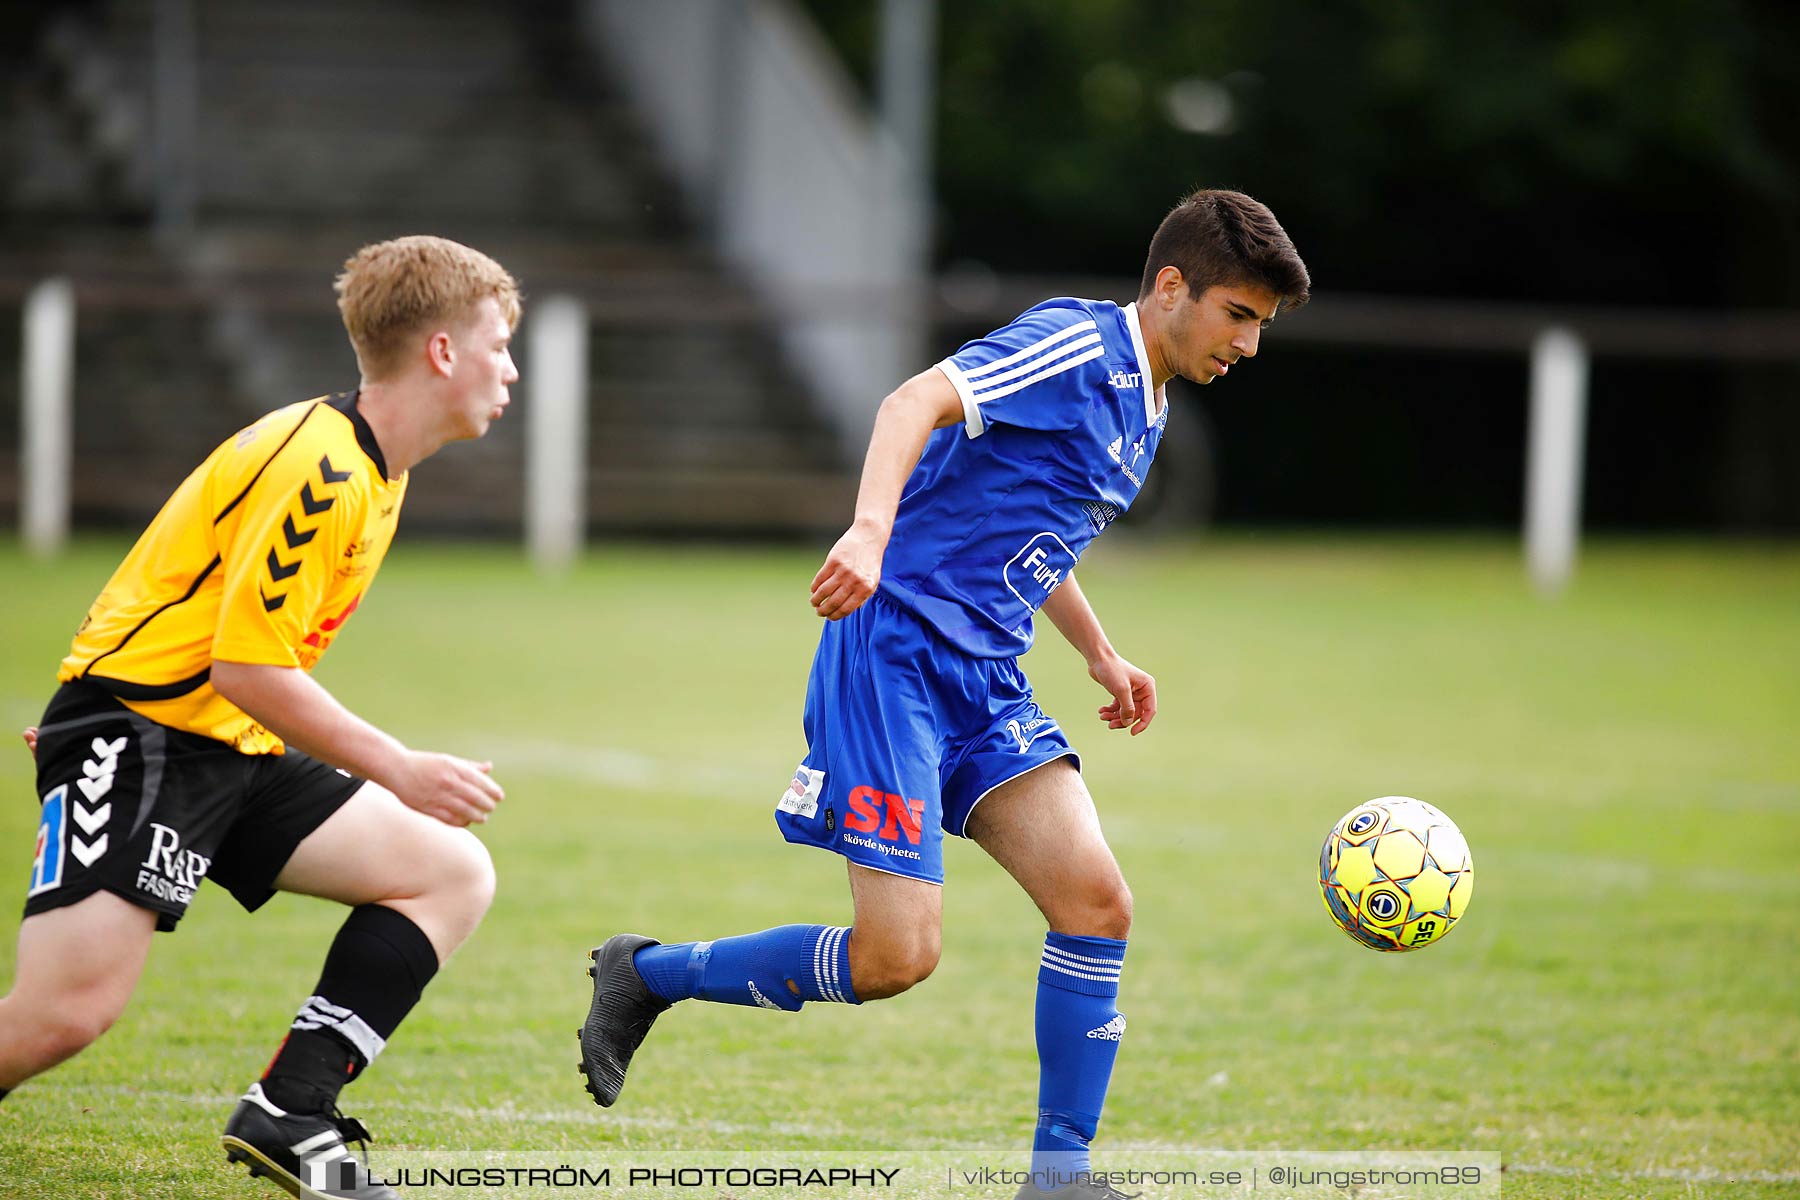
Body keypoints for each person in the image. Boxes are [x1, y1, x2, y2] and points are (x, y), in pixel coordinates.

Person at [578, 189, 1310, 1199]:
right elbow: (911, 403)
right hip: (891, 659)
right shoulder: (1074, 346)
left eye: (1262, 327)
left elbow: (1031, 533)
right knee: (895, 959)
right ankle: (649, 973)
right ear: (1173, 287)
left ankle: (1060, 1177)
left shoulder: (1146, 404)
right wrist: (870, 531)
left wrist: (1099, 653)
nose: (1250, 344)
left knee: (1097, 906)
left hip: (985, 676)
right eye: (1240, 315)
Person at [2, 235, 519, 1200]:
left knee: (445, 871)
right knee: (61, 1016)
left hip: (214, 741)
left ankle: (292, 1112)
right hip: (145, 735)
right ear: (442, 352)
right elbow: (245, 666)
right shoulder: (321, 468)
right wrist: (398, 766)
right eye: (498, 343)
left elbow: (176, 588)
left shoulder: (378, 467)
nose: (512, 368)